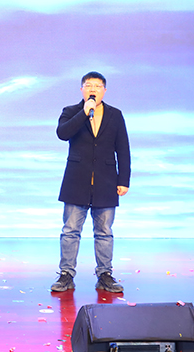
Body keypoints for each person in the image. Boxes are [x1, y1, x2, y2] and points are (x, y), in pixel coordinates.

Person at [50, 71, 130, 293]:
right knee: (70, 230)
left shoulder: (115, 115)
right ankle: (66, 275)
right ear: (82, 89)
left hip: (106, 181)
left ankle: (105, 275)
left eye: (97, 86)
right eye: (88, 85)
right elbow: (62, 133)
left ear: (104, 90)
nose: (93, 89)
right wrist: (84, 113)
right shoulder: (71, 111)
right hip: (76, 181)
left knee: (104, 231)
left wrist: (124, 180)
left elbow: (123, 149)